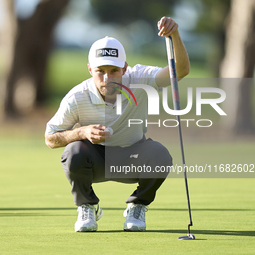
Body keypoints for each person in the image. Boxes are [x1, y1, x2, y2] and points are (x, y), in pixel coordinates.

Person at [45, 17, 190, 232]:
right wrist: (82, 132)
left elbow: (181, 70)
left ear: (124, 68)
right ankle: (87, 206)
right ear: (89, 69)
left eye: (114, 71)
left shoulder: (140, 78)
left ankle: (137, 205)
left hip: (133, 158)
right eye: (100, 71)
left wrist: (174, 35)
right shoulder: (77, 97)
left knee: (160, 154)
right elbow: (50, 138)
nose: (107, 78)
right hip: (95, 161)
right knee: (73, 151)